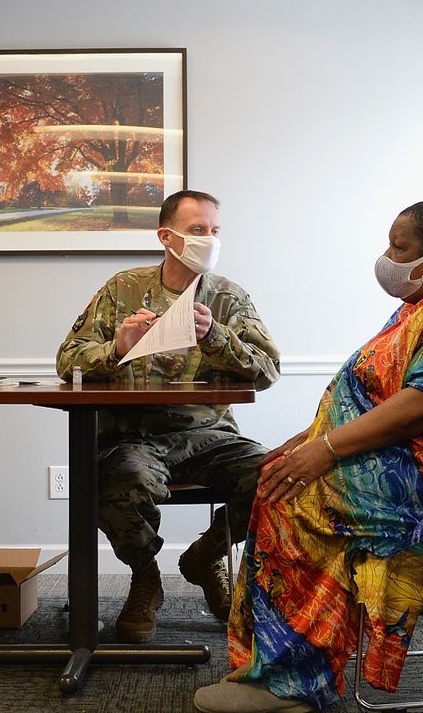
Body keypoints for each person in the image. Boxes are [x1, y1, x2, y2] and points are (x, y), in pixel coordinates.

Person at [193, 200, 423, 713]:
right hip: (416, 453)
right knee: (276, 475)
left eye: (401, 248)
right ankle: (296, 655)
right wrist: (309, 438)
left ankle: (290, 683)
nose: (387, 257)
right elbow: (376, 393)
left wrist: (325, 451)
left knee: (299, 497)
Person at [56, 190, 281, 642]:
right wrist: (117, 347)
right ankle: (145, 577)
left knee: (276, 476)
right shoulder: (122, 289)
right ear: (167, 236)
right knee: (123, 482)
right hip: (133, 436)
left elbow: (268, 370)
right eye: (198, 230)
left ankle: (204, 556)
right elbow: (68, 362)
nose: (209, 240)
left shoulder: (228, 299)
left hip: (208, 434)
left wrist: (215, 336)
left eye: (215, 231)